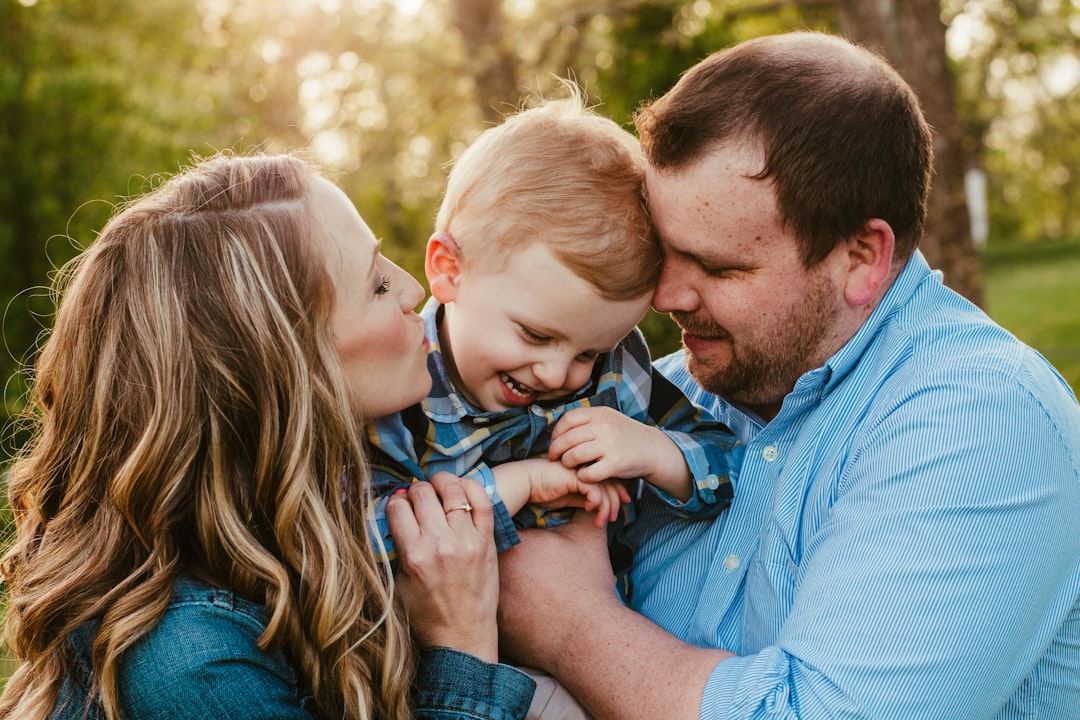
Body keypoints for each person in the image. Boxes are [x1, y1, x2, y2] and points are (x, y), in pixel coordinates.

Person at [496, 31, 1080, 719]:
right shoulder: (656, 398)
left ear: (861, 257)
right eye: (666, 252)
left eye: (717, 267)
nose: (667, 297)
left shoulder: (980, 417)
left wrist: (570, 627)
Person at [0, 152, 535, 719]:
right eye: (376, 285)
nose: (413, 292)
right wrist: (460, 646)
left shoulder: (314, 535)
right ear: (286, 368)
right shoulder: (195, 669)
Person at [366, 89, 741, 573]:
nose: (557, 373)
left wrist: (655, 451)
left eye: (588, 353)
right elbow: (358, 543)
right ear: (449, 270)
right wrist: (516, 484)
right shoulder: (398, 390)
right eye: (535, 336)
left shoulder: (615, 365)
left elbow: (736, 469)